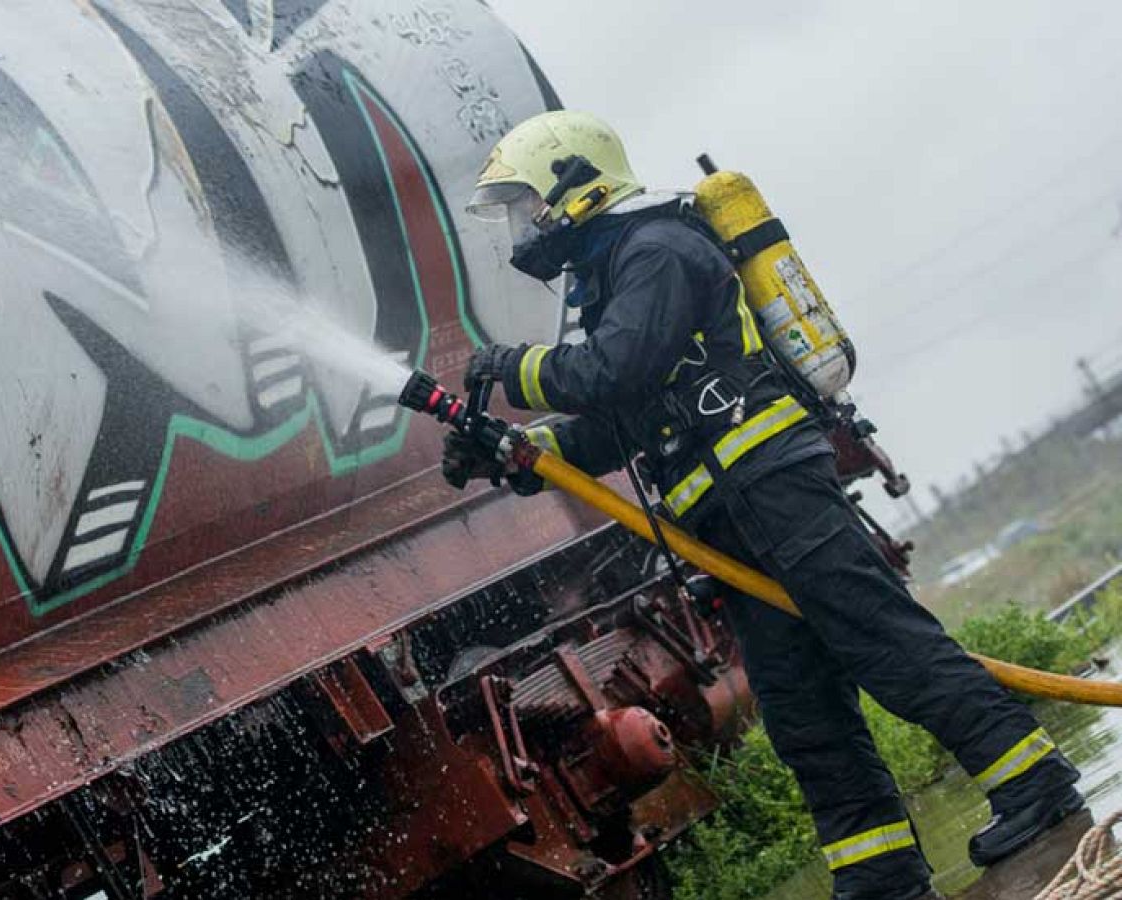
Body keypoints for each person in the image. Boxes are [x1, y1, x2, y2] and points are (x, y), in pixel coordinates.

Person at [449, 110, 1085, 900]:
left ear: (576, 182)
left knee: (885, 645)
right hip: (728, 519)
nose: (519, 226)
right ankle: (881, 877)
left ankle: (1034, 784)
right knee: (802, 710)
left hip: (772, 486)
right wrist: (518, 455)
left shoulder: (658, 249)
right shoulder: (614, 277)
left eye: (524, 202)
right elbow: (620, 422)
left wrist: (511, 368)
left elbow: (613, 370)